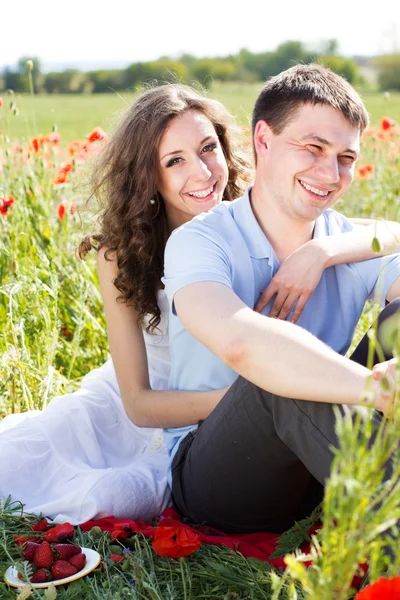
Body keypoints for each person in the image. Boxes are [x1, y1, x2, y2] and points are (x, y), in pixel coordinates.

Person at [0, 81, 398, 525]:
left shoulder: (278, 208)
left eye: (208, 149)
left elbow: (384, 232)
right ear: (149, 175)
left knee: (294, 375)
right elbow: (143, 403)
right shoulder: (138, 252)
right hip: (179, 407)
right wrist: (324, 384)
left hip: (276, 404)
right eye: (175, 161)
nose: (204, 173)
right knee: (275, 380)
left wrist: (321, 253)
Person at [159, 65, 400, 534]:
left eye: (346, 157)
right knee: (275, 375)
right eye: (313, 148)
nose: (330, 173)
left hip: (322, 453)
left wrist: (323, 251)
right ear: (264, 140)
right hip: (222, 476)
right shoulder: (199, 241)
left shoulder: (345, 239)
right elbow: (241, 344)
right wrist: (379, 389)